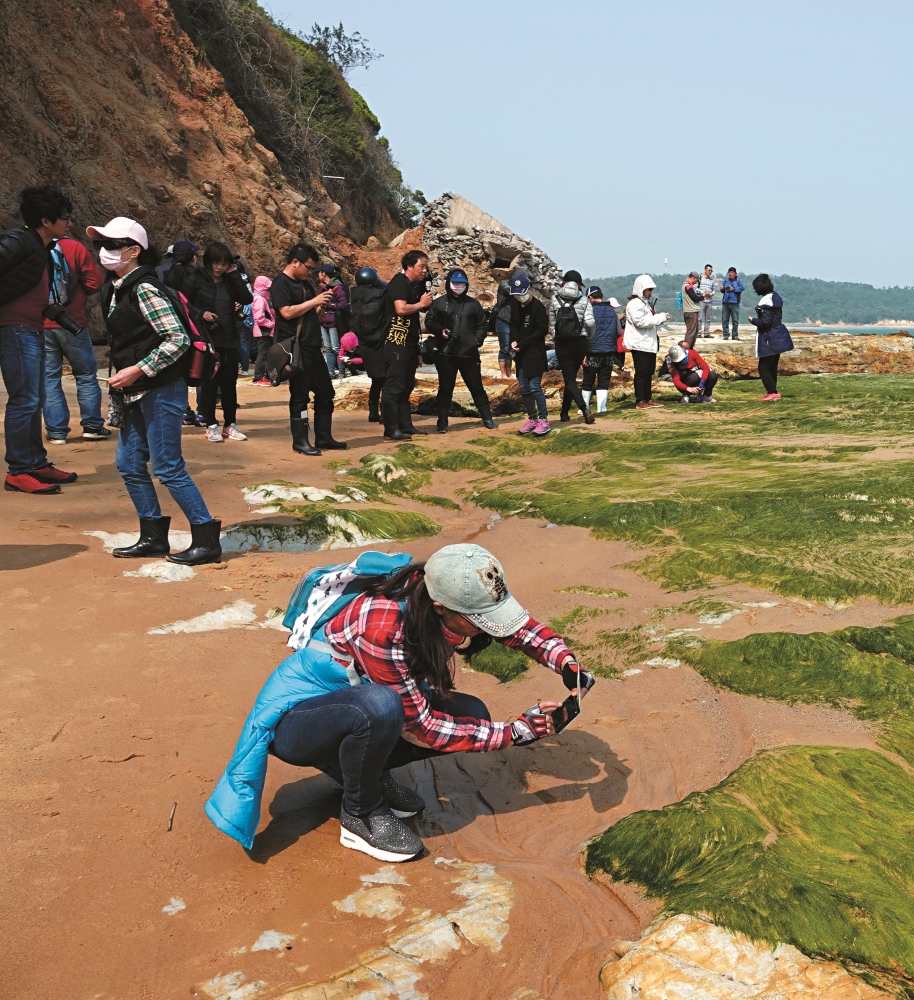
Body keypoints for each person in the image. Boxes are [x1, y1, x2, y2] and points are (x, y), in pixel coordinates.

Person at [206, 543, 595, 861]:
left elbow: (516, 627)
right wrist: (516, 733)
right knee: (380, 707)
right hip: (299, 720)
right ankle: (360, 814)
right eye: (480, 619)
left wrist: (564, 661)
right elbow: (420, 724)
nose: (489, 625)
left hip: (355, 699)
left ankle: (358, 774)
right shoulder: (384, 621)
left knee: (471, 713)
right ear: (442, 608)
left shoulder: (454, 589)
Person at [88, 216, 220, 564]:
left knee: (167, 466)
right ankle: (153, 537)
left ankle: (206, 539)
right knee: (129, 463)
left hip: (160, 388)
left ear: (134, 251)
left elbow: (177, 338)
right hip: (136, 389)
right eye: (101, 245)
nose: (104, 252)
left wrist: (137, 369)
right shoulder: (116, 288)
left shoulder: (144, 287)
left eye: (112, 245)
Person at [0, 185, 79, 494]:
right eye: (65, 218)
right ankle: (19, 471)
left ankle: (35, 463)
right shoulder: (19, 240)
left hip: (31, 328)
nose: (69, 223)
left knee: (34, 401)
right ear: (46, 220)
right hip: (14, 329)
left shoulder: (39, 247)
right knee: (25, 401)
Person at [41, 210, 107, 446]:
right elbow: (95, 283)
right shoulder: (75, 248)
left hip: (41, 323)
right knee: (86, 375)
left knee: (49, 378)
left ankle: (57, 432)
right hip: (73, 322)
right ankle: (92, 427)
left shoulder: (33, 246)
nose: (69, 224)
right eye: (66, 219)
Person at [270, 244, 343, 455]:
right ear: (295, 262)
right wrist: (314, 301)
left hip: (312, 346)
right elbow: (286, 312)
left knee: (326, 392)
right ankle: (300, 441)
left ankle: (323, 436)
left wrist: (323, 304)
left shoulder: (305, 284)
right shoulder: (280, 284)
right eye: (308, 268)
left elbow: (313, 315)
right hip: (296, 348)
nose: (310, 272)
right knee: (300, 395)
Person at [182, 242, 253, 442]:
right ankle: (210, 424)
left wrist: (234, 274)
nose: (219, 267)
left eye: (223, 263)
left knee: (230, 384)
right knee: (209, 383)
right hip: (206, 339)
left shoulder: (230, 280)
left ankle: (230, 425)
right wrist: (200, 313)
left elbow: (247, 298)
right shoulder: (195, 279)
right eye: (215, 263)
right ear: (207, 262)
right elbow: (182, 304)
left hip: (229, 337)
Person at [425, 268, 496, 432]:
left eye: (461, 284)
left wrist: (477, 342)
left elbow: (482, 324)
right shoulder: (440, 303)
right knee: (445, 388)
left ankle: (487, 418)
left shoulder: (473, 304)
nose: (458, 287)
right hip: (446, 354)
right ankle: (442, 421)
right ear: (449, 284)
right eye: (455, 283)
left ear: (466, 285)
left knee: (476, 387)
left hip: (469, 354)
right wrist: (440, 329)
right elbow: (429, 321)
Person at [379, 250, 433, 441]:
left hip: (409, 343)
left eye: (426, 266)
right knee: (394, 385)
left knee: (407, 385)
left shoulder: (414, 285)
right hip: (396, 342)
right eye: (421, 266)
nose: (425, 270)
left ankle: (406, 425)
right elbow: (400, 309)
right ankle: (391, 428)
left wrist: (416, 350)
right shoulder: (399, 282)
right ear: (409, 267)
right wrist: (421, 304)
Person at [507, 273, 552, 435]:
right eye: (516, 294)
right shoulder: (514, 304)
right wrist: (513, 340)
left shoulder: (538, 307)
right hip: (520, 354)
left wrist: (522, 343)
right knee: (524, 388)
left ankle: (544, 420)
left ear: (530, 290)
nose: (520, 297)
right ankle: (532, 419)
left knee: (535, 387)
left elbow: (541, 331)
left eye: (522, 293)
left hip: (534, 353)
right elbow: (513, 325)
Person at [550, 269, 594, 424]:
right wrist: (589, 335)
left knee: (569, 379)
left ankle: (584, 409)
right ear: (578, 284)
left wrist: (556, 335)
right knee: (571, 378)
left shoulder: (555, 299)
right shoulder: (584, 300)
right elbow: (589, 322)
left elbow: (552, 323)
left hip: (562, 342)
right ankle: (564, 412)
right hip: (580, 341)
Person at [623, 275, 672, 408]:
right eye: (648, 289)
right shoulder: (634, 304)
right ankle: (640, 400)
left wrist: (660, 318)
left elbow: (648, 320)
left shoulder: (644, 303)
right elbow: (640, 322)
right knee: (642, 372)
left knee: (649, 371)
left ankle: (648, 398)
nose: (650, 292)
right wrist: (659, 317)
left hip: (648, 343)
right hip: (639, 343)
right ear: (641, 289)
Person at [346, 266, 387, 423]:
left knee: (375, 380)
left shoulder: (354, 296)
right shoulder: (380, 294)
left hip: (365, 343)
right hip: (379, 342)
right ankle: (384, 413)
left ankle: (372, 412)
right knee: (385, 380)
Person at [750, 273, 791, 400]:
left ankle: (772, 392)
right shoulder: (775, 296)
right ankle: (773, 392)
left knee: (763, 367)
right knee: (772, 366)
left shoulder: (765, 301)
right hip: (778, 335)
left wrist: (754, 321)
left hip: (770, 338)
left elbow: (765, 322)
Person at [581, 286, 619, 415]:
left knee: (588, 380)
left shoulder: (588, 310)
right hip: (609, 351)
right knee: (603, 380)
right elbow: (618, 332)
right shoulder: (612, 311)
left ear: (590, 298)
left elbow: (583, 332)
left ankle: (584, 409)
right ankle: (601, 409)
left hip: (592, 350)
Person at [317, 265, 349, 378]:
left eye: (319, 272)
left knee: (336, 348)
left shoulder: (338, 287)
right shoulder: (323, 287)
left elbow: (343, 304)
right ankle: (330, 372)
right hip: (323, 321)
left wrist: (327, 304)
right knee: (328, 348)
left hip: (333, 322)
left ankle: (341, 371)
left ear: (323, 273)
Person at [250, 275, 276, 384]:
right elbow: (259, 318)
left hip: (262, 330)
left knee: (264, 353)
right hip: (263, 330)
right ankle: (258, 377)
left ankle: (262, 376)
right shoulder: (260, 299)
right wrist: (271, 324)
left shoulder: (257, 297)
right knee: (263, 354)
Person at [680, 271, 705, 349]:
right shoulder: (688, 286)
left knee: (694, 331)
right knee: (691, 332)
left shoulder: (686, 285)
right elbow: (694, 297)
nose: (696, 282)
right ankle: (686, 349)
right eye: (696, 280)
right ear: (694, 278)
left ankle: (690, 348)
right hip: (691, 311)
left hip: (691, 311)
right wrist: (702, 297)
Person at [719, 267, 744, 341]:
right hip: (726, 302)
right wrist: (722, 289)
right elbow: (723, 290)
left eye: (732, 272)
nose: (731, 274)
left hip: (734, 302)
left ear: (735, 273)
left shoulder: (739, 280)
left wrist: (734, 289)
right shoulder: (726, 281)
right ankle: (726, 335)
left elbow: (742, 288)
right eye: (729, 272)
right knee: (724, 319)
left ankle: (735, 335)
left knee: (735, 320)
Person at [700, 264, 717, 337]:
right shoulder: (700, 279)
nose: (710, 272)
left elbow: (714, 290)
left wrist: (711, 294)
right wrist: (703, 293)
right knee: (699, 318)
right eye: (709, 270)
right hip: (701, 300)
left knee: (708, 319)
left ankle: (706, 333)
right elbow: (696, 288)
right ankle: (698, 333)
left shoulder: (712, 280)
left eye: (711, 271)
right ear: (705, 270)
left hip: (709, 301)